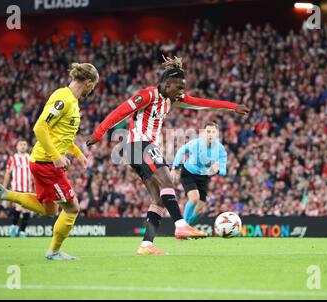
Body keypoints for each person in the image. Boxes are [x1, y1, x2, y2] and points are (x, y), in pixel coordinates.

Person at [86, 56, 249, 255]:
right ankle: (180, 225)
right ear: (166, 83)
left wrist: (232, 107)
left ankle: (146, 245)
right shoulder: (146, 96)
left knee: (159, 199)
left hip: (141, 148)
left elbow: (202, 103)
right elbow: (119, 112)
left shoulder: (173, 99)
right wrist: (99, 133)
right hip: (136, 144)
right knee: (166, 180)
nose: (181, 93)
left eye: (183, 88)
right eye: (178, 88)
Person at [0, 62, 99, 260]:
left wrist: (77, 153)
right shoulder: (63, 98)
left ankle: (3, 193)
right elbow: (40, 128)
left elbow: (62, 135)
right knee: (72, 207)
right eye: (93, 86)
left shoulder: (73, 102)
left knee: (50, 209)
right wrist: (56, 156)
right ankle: (54, 252)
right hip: (47, 163)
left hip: (43, 161)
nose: (93, 90)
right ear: (87, 82)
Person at [171, 121, 227, 226]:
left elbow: (224, 171)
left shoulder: (220, 150)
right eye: (208, 131)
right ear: (203, 133)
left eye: (213, 132)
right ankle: (182, 228)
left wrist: (218, 170)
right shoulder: (195, 144)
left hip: (203, 177)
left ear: (217, 134)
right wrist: (174, 167)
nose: (210, 134)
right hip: (188, 173)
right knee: (194, 198)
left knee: (200, 210)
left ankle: (187, 228)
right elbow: (181, 151)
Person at [2, 140, 33, 237]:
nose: (23, 146)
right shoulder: (13, 159)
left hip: (28, 189)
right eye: (21, 144)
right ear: (17, 147)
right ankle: (14, 227)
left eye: (24, 144)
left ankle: (22, 231)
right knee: (18, 208)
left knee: (27, 211)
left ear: (27, 147)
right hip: (17, 188)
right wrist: (4, 188)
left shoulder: (31, 158)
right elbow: (7, 174)